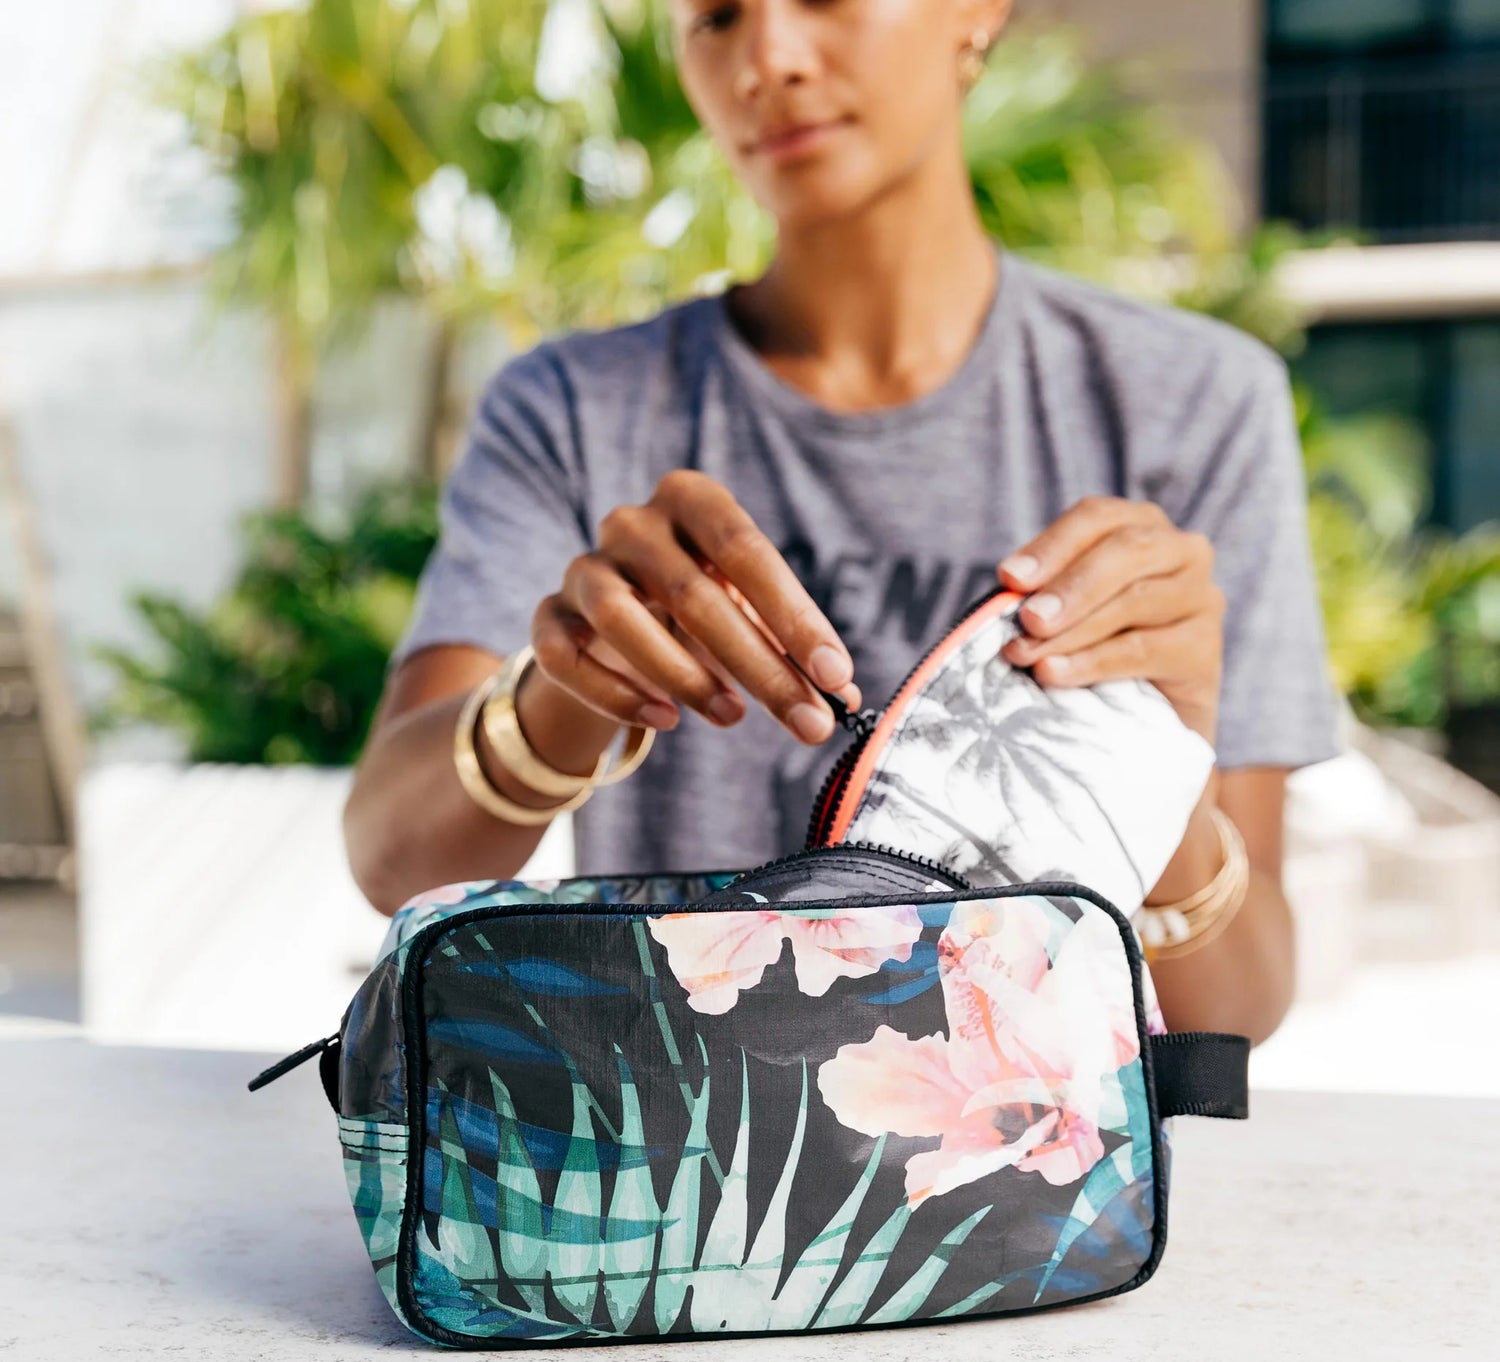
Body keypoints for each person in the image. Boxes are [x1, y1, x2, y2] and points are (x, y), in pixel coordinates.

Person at [343, 0, 1344, 1045]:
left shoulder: (1192, 403)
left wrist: (1156, 766)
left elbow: (1237, 1010)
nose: (766, 59)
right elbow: (391, 861)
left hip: (1014, 1136)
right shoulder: (574, 408)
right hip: (685, 1126)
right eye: (715, 16)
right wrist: (566, 690)